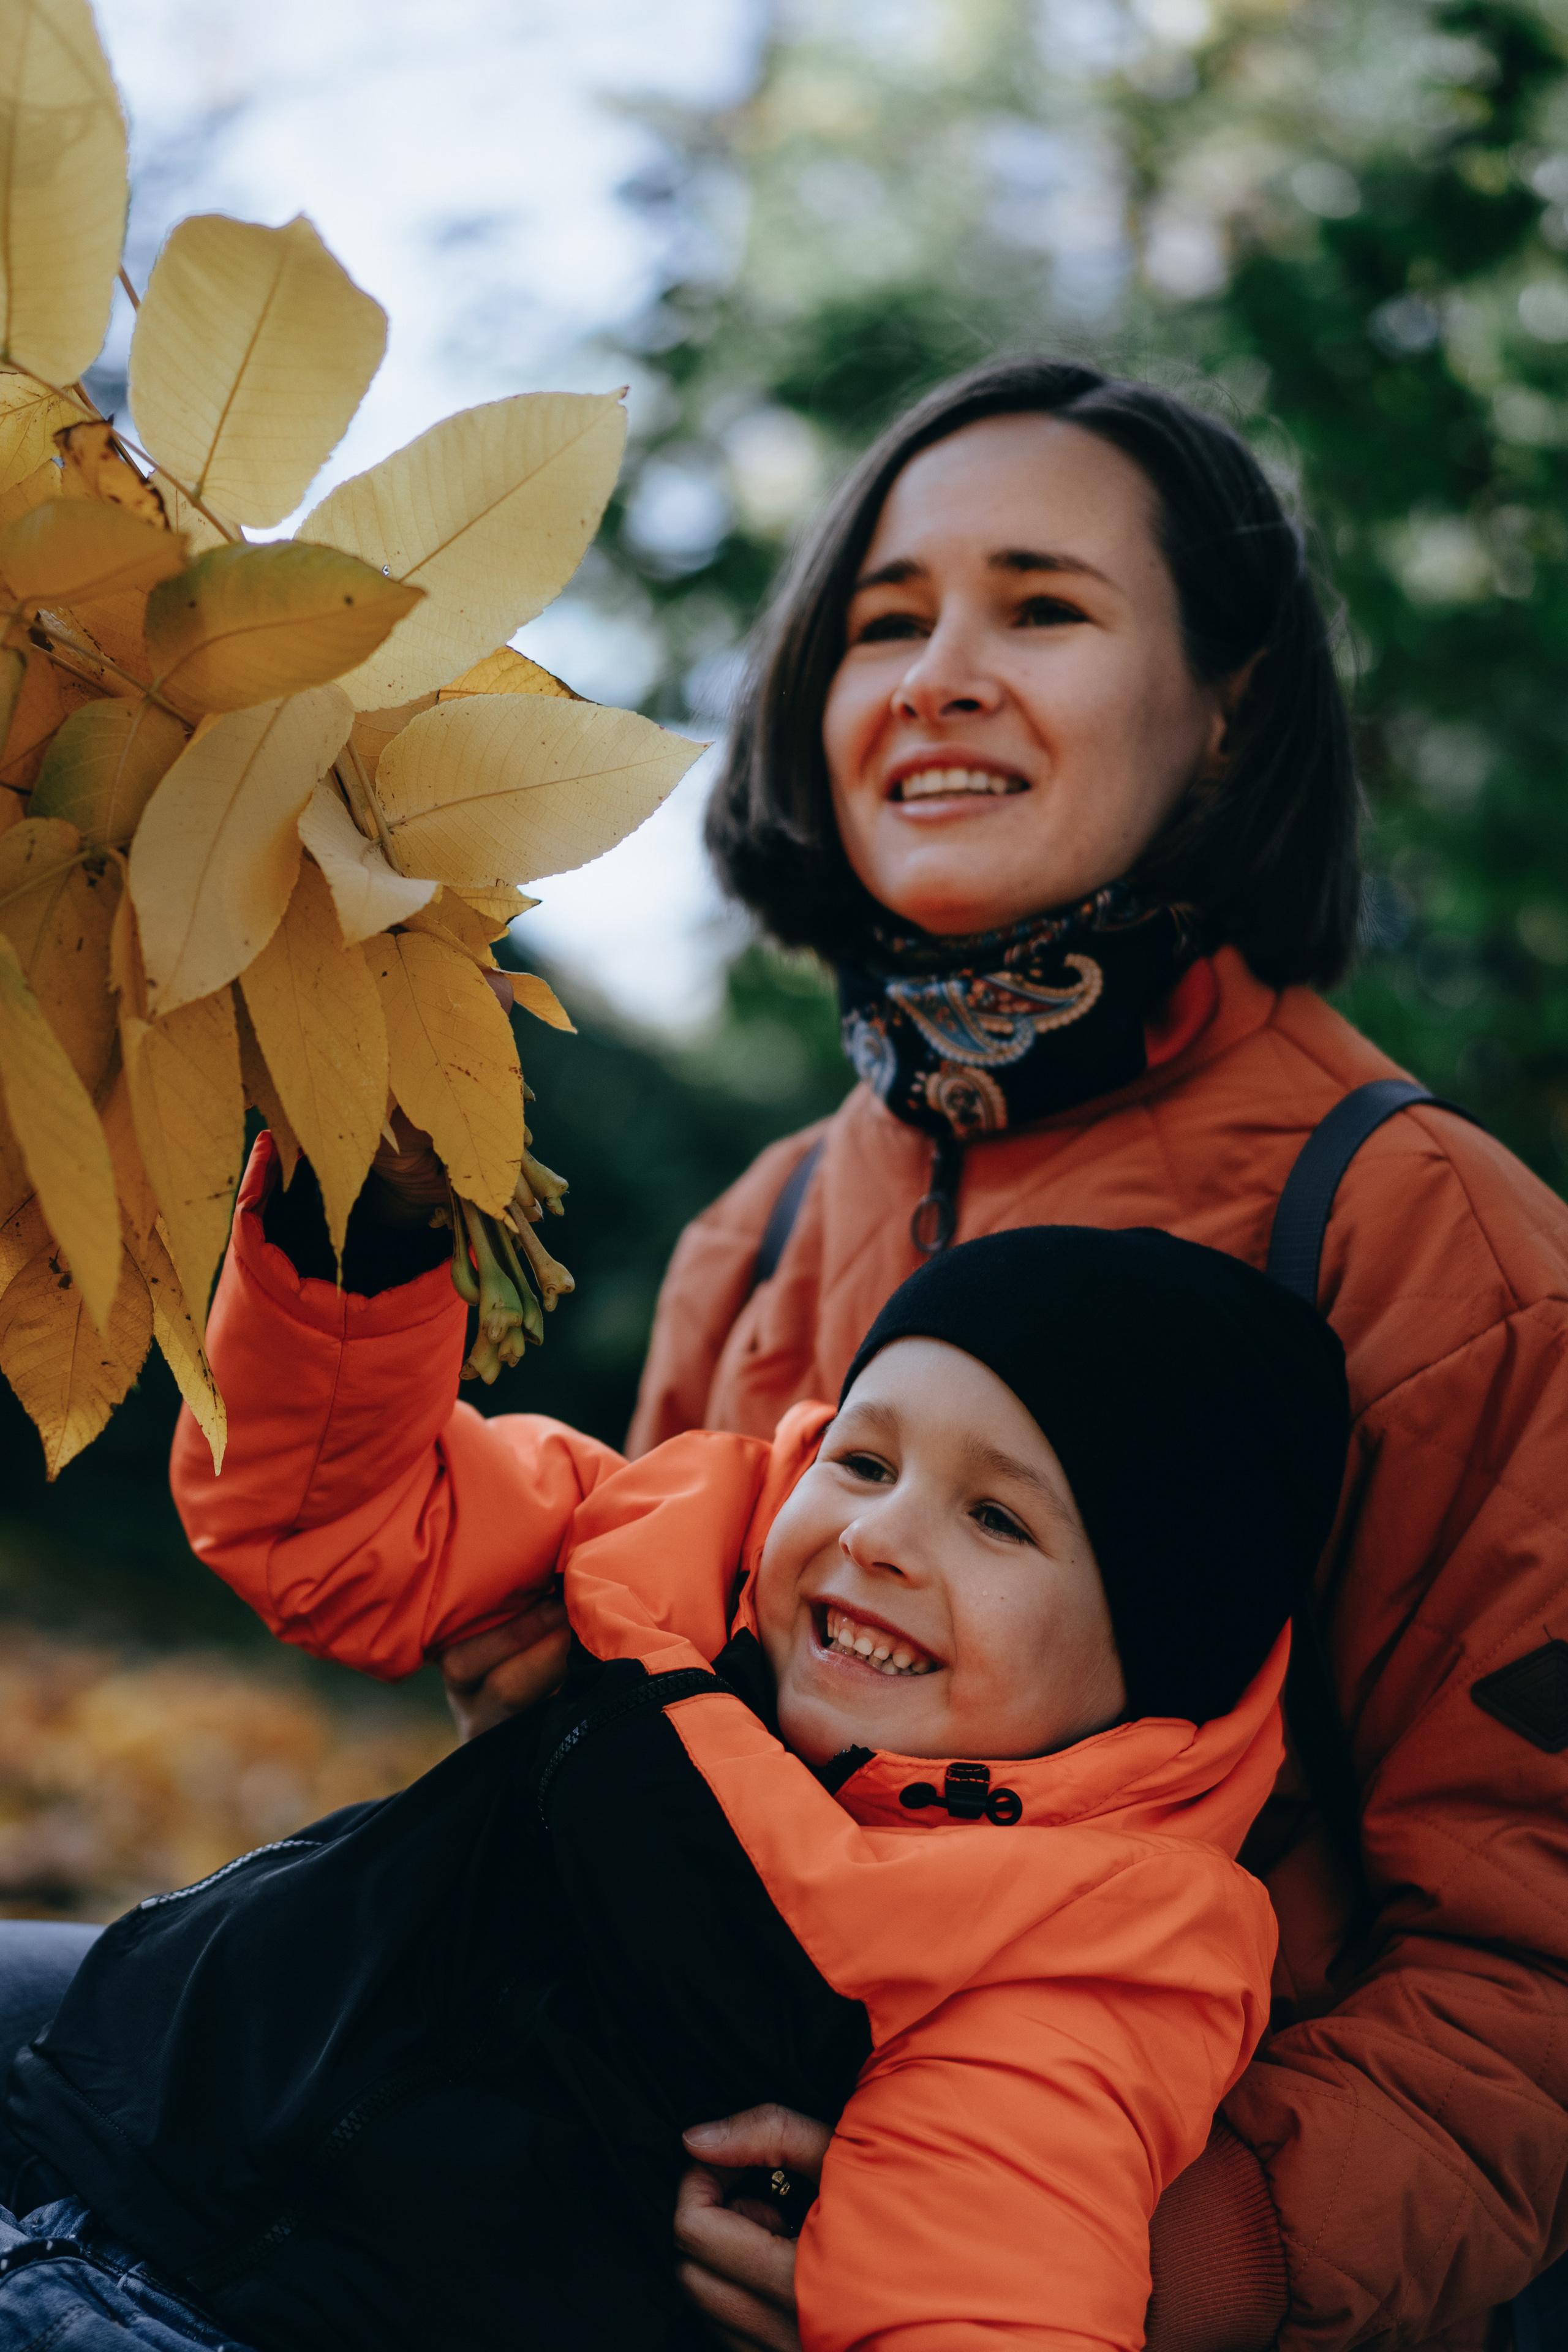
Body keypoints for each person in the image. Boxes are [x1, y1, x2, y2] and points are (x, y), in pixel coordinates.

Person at [407, 357, 1568, 2352]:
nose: (939, 674)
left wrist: (1133, 2262)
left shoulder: (1430, 1248)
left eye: (1042, 607)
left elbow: (1528, 1971)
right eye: (885, 621)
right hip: (607, 2209)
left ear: (1233, 707)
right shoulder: (760, 1227)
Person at [0, 1221, 1346, 2352]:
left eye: (995, 1518)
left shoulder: (1069, 1950)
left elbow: (984, 2292)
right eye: (864, 1462)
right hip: (106, 2122)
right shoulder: (683, 1555)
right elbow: (323, 1526)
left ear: (1154, 1649)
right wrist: (354, 1237)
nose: (874, 1536)